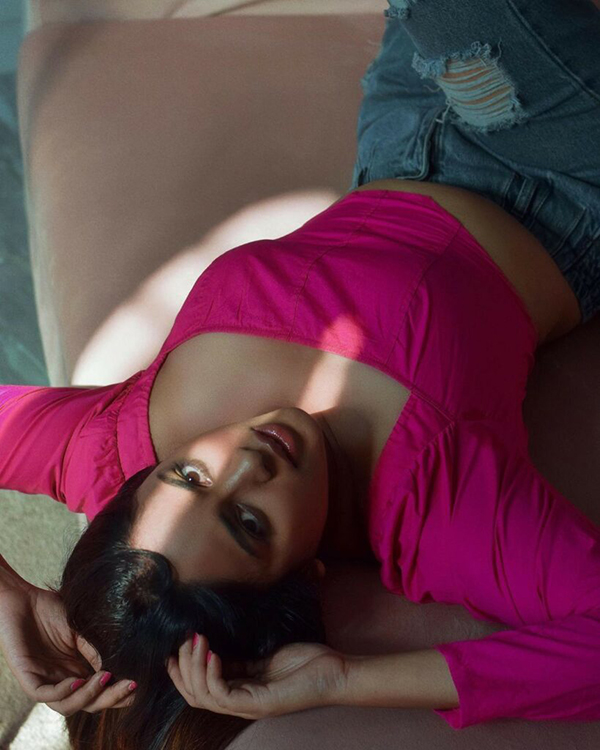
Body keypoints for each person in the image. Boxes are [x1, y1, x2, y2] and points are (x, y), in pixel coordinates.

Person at [2, 0, 600, 747]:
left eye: (189, 475)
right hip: (553, 173)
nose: (246, 463)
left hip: (400, 130)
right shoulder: (431, 510)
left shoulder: (114, 447)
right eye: (250, 524)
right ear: (307, 577)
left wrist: (6, 591)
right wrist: (345, 680)